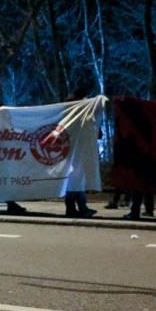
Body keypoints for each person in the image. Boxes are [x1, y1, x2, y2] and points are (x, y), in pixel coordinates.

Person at [63, 86, 96, 218]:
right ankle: (75, 208)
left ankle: (80, 207)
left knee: (77, 179)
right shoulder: (75, 109)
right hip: (74, 149)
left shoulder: (70, 108)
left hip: (73, 149)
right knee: (74, 179)